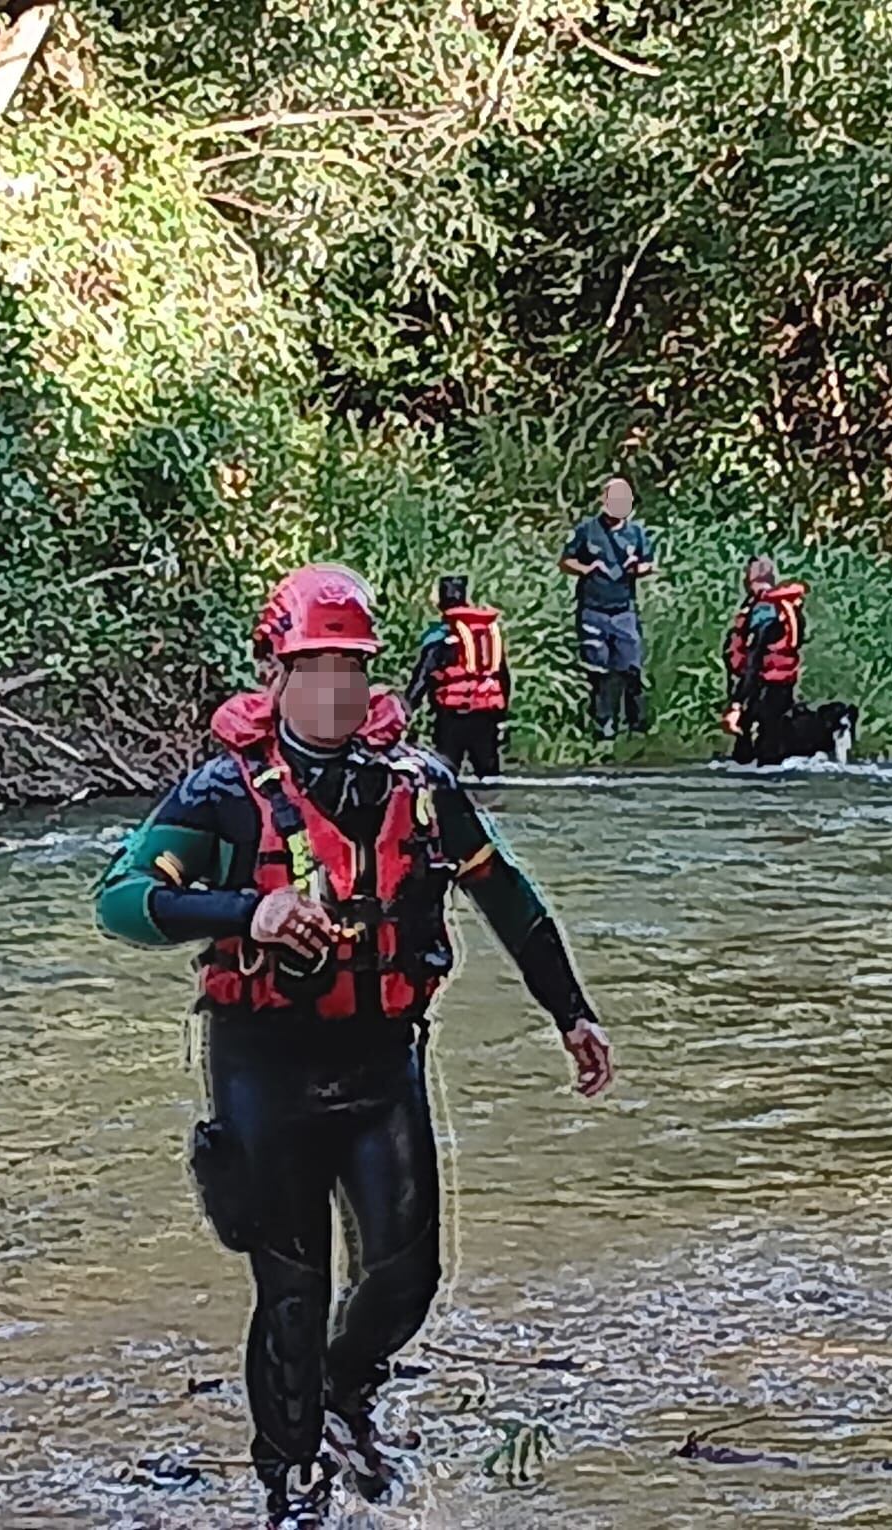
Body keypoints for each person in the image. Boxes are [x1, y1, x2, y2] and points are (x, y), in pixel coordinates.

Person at [92, 565, 615, 1528]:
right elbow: (122, 900)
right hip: (265, 1068)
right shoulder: (222, 794)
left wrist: (569, 1011)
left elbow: (508, 897)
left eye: (351, 667)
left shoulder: (422, 788)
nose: (334, 689)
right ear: (273, 674)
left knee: (404, 1281)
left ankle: (344, 1393)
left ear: (375, 678)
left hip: (382, 1063)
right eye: (313, 666)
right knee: (292, 1288)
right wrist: (249, 910)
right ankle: (291, 1482)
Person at [558, 475, 656, 740]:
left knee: (630, 668)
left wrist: (638, 567)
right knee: (598, 670)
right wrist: (587, 568)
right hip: (593, 609)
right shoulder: (587, 530)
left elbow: (650, 564)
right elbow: (565, 561)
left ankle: (637, 725)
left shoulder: (636, 532)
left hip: (623, 609)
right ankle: (604, 726)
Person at [404, 574, 510, 780]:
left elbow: (421, 679)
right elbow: (502, 678)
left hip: (451, 717)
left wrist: (405, 713)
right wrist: (501, 716)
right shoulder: (486, 635)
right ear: (465, 599)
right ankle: (496, 810)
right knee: (490, 779)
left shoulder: (438, 637)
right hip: (486, 717)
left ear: (440, 603)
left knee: (446, 778)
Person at [722, 556, 808, 765]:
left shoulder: (763, 609)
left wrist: (737, 703)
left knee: (756, 750)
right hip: (784, 681)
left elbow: (754, 656)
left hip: (762, 684)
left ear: (749, 578)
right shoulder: (786, 606)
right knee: (772, 738)